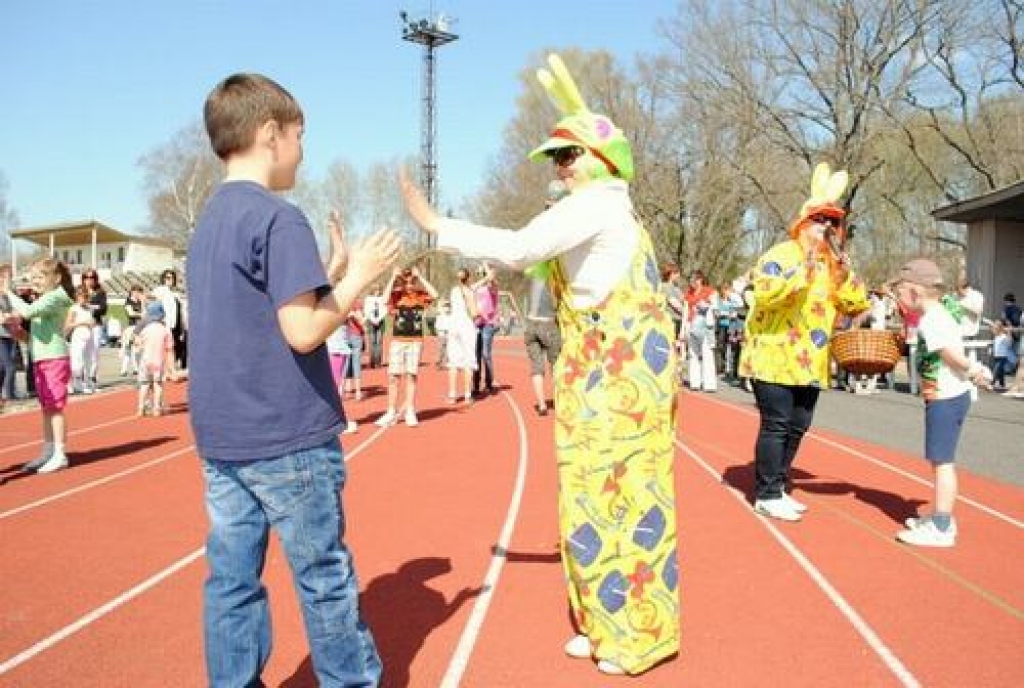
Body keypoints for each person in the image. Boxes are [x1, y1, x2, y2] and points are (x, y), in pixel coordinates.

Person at [400, 53, 680, 677]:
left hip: (615, 383)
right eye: (556, 158)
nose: (559, 167)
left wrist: (436, 226)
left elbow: (524, 247)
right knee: (590, 499)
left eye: (567, 155)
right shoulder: (609, 206)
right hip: (602, 375)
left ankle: (635, 635)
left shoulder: (599, 203)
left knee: (616, 502)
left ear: (603, 159)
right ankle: (603, 619)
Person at [187, 72, 399, 687]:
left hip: (224, 437)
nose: (304, 150)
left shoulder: (209, 222)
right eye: (301, 136)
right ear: (270, 133)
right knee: (324, 579)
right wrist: (358, 276)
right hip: (288, 438)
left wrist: (328, 271)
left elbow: (257, 311)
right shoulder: (278, 218)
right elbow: (303, 330)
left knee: (230, 580)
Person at [739, 162, 870, 522]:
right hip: (773, 356)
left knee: (798, 426)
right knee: (777, 423)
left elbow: (857, 304)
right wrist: (805, 267)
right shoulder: (781, 255)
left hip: (811, 361)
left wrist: (845, 274)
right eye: (819, 219)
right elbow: (766, 294)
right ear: (802, 222)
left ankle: (778, 485)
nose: (826, 228)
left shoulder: (833, 265)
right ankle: (766, 492)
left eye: (833, 222)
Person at [890, 259, 991, 546]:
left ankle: (942, 525)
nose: (898, 297)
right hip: (949, 395)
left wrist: (973, 371)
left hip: (945, 398)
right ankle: (939, 516)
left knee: (942, 463)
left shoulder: (932, 320)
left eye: (901, 291)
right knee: (940, 461)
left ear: (916, 293)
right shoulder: (942, 312)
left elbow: (949, 354)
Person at [1, 258, 75, 473]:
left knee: (55, 408)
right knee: (46, 408)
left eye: (40, 277)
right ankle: (48, 450)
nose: (36, 281)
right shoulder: (44, 301)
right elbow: (35, 338)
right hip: (41, 359)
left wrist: (8, 292)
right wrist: (18, 333)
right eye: (33, 277)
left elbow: (27, 312)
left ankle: (60, 453)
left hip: (55, 359)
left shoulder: (56, 297)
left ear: (56, 278)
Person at [375, 265, 437, 427]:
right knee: (393, 377)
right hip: (398, 341)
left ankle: (410, 410)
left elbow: (435, 294)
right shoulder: (396, 295)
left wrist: (421, 277)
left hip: (415, 342)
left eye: (412, 281)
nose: (409, 284)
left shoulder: (420, 296)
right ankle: (390, 411)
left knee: (411, 375)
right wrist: (392, 277)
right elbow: (383, 300)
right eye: (405, 280)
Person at [133, 301, 173, 416]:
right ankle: (156, 408)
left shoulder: (146, 329)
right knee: (158, 384)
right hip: (158, 361)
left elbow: (138, 343)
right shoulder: (165, 329)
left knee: (144, 384)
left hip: (145, 360)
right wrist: (171, 367)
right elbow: (169, 349)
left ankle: (140, 408)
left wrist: (139, 344)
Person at [445, 270, 479, 403]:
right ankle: (467, 395)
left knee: (453, 362)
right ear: (469, 277)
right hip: (466, 326)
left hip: (453, 326)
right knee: (469, 360)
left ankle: (452, 395)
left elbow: (473, 285)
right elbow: (474, 311)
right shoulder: (469, 292)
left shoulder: (454, 291)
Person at [684, 269, 718, 392]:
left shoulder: (710, 291)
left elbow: (715, 307)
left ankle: (709, 384)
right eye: (690, 280)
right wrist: (683, 329)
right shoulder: (688, 293)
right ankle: (695, 382)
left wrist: (707, 305)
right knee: (693, 354)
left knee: (707, 353)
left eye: (693, 280)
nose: (691, 282)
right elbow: (686, 310)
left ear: (700, 280)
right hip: (691, 325)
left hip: (705, 326)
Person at [472, 261, 500, 396]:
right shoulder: (477, 287)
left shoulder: (493, 287)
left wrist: (486, 267)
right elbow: (472, 288)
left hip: (489, 324)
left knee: (485, 354)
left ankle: (489, 383)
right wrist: (483, 275)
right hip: (477, 323)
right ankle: (475, 385)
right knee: (476, 355)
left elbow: (492, 280)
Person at [153, 268, 188, 375]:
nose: (170, 280)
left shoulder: (175, 293)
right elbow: (156, 304)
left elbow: (181, 310)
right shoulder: (160, 290)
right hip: (167, 323)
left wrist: (183, 326)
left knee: (177, 346)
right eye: (167, 277)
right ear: (163, 279)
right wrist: (161, 319)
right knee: (168, 347)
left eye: (172, 278)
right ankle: (165, 371)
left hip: (177, 324)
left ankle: (170, 369)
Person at [65, 286, 96, 394]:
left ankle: (85, 383)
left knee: (88, 360)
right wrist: (83, 323)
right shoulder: (74, 308)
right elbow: (68, 325)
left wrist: (92, 323)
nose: (84, 299)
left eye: (86, 296)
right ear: (77, 297)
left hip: (89, 335)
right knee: (77, 361)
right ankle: (72, 383)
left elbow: (91, 321)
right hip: (78, 335)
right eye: (82, 296)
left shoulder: (88, 308)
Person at [81, 268, 106, 390]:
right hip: (83, 326)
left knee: (95, 352)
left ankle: (93, 377)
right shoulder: (79, 291)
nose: (89, 280)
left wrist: (89, 306)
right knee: (84, 353)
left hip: (96, 325)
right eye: (86, 277)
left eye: (92, 278)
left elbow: (103, 309)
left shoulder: (100, 292)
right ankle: (84, 379)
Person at [120, 284, 145, 376]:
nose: (137, 293)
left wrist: (142, 302)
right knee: (128, 349)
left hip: (139, 327)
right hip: (131, 327)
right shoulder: (128, 301)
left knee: (137, 349)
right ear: (132, 292)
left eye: (139, 292)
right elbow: (130, 313)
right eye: (136, 291)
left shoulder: (140, 302)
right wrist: (140, 314)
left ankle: (136, 368)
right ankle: (124, 369)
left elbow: (145, 312)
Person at [362, 285, 387, 368]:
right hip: (371, 322)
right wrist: (373, 320)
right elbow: (366, 310)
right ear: (372, 290)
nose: (378, 292)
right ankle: (372, 362)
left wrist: (379, 319)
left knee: (379, 342)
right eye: (376, 290)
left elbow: (385, 310)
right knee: (372, 342)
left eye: (379, 290)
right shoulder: (368, 299)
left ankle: (378, 362)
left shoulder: (382, 298)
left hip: (380, 321)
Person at [989, 319, 1017, 391]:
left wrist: (1009, 331)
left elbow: (1009, 343)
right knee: (1000, 371)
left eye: (997, 325)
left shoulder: (1004, 336)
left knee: (996, 370)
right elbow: (992, 326)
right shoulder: (996, 336)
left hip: (1002, 357)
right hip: (996, 356)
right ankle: (1002, 384)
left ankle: (991, 383)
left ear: (1001, 327)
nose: (995, 328)